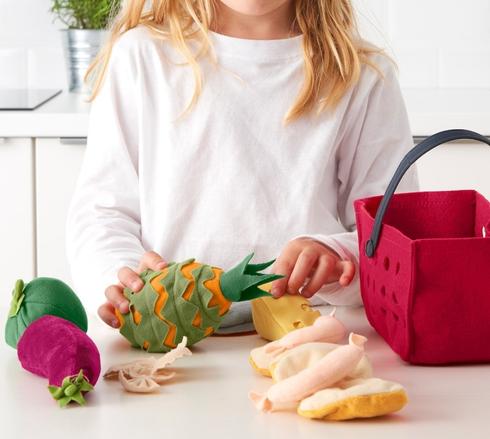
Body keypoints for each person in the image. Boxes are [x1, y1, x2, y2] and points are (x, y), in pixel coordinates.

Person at [65, 0, 418, 329]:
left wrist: (335, 256)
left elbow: (393, 237)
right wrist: (120, 275)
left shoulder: (363, 75)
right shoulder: (142, 57)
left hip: (308, 332)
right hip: (172, 338)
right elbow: (102, 215)